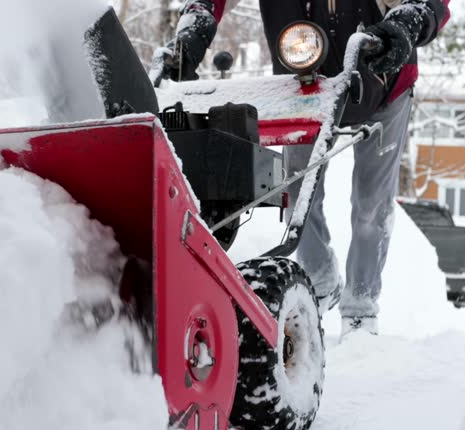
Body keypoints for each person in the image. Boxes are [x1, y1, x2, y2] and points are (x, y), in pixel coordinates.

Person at [153, 0, 450, 337]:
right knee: (296, 190)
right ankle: (321, 282)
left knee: (371, 203)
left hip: (383, 82)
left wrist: (409, 21)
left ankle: (360, 309)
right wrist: (195, 30)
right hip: (306, 84)